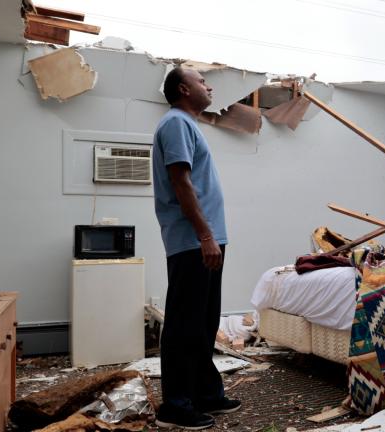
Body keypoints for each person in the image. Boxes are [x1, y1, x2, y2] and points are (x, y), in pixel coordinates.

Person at [152, 67, 240, 430]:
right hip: (193, 241)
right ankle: (175, 405)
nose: (210, 86)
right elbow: (180, 182)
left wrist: (211, 236)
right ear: (185, 89)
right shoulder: (175, 123)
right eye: (203, 82)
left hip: (204, 239)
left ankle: (206, 394)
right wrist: (205, 235)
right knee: (185, 325)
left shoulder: (187, 124)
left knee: (203, 323)